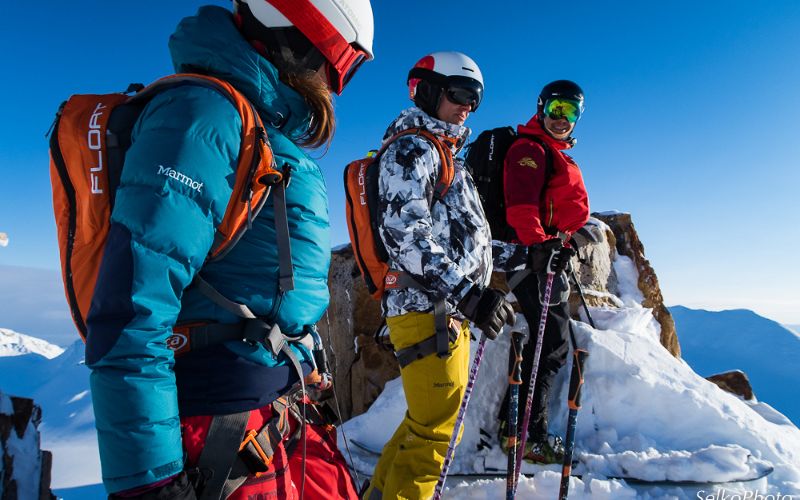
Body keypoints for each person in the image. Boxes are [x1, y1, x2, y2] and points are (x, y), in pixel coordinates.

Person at [84, 1, 373, 498]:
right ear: (303, 35)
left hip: (271, 413)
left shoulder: (255, 125)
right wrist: (149, 483)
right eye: (343, 61)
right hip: (217, 435)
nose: (336, 82)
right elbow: (131, 311)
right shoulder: (203, 116)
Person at [362, 51, 522, 500]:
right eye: (459, 94)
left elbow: (467, 241)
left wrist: (527, 255)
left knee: (423, 426)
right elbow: (404, 235)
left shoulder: (444, 154)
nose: (469, 105)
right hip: (427, 307)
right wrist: (469, 295)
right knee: (434, 435)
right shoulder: (412, 148)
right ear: (429, 92)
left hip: (444, 309)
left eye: (476, 98)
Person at [496, 80, 590, 464]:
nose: (562, 118)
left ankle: (516, 428)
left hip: (549, 252)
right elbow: (520, 207)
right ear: (541, 108)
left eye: (571, 111)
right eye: (556, 109)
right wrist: (539, 246)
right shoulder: (530, 150)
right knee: (551, 342)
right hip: (533, 258)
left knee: (551, 339)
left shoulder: (552, 151)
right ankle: (522, 434)